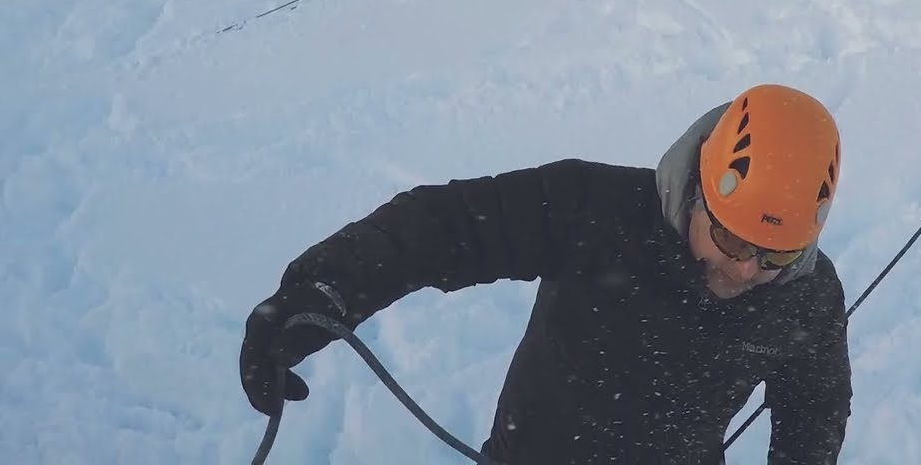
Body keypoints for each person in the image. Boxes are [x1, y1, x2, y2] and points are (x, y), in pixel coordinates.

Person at [239, 83, 853, 464]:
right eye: (729, 238)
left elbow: (813, 414)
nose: (745, 269)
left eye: (775, 257)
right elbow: (444, 224)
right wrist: (326, 287)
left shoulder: (807, 298)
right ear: (698, 191)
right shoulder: (596, 212)